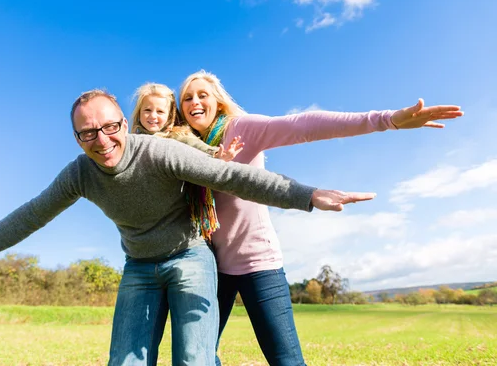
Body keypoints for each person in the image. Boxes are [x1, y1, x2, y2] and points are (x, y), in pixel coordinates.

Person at [0, 89, 376, 366]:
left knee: (194, 358)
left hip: (190, 258)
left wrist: (306, 195)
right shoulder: (79, 174)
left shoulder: (158, 152)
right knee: (124, 359)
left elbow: (233, 176)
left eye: (110, 126)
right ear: (77, 138)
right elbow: (34, 212)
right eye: (88, 134)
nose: (103, 141)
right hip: (139, 268)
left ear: (125, 121)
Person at [177, 70, 464, 366]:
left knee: (286, 360)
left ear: (219, 103)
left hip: (257, 263)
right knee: (198, 356)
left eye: (202, 95)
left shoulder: (240, 129)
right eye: (187, 98)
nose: (195, 102)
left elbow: (304, 125)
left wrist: (387, 120)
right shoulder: (184, 149)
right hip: (212, 268)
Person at [130, 82, 243, 239]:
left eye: (160, 111)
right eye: (147, 110)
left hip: (176, 206)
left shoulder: (177, 135)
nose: (153, 116)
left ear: (170, 116)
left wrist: (216, 154)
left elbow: (198, 147)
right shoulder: (133, 141)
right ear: (139, 113)